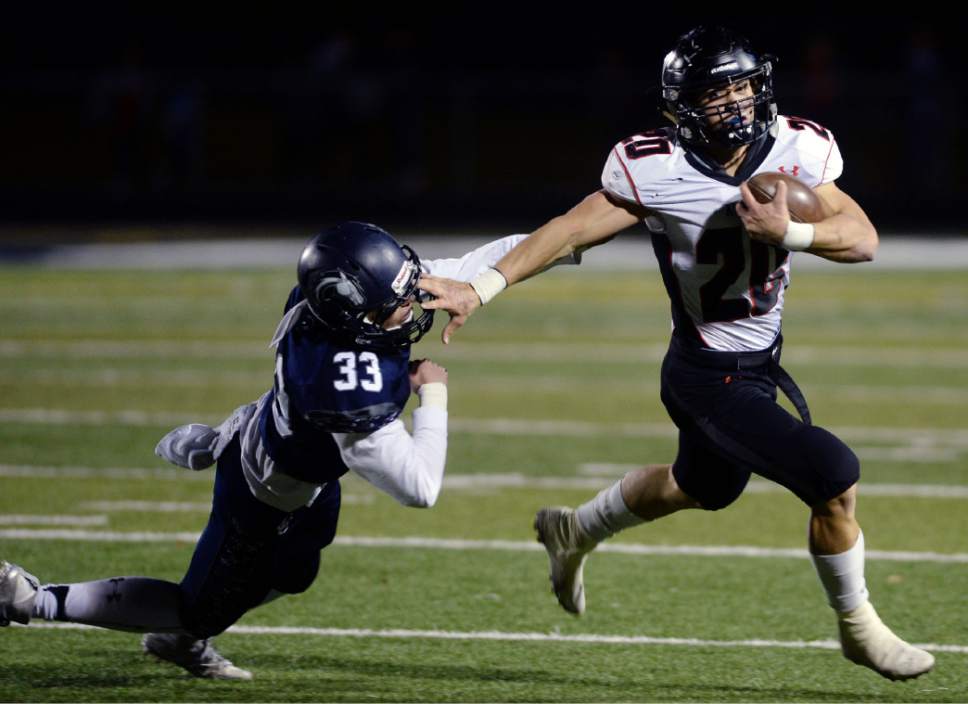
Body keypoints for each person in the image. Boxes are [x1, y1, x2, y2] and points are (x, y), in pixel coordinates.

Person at [418, 26, 934, 681]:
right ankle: (859, 629)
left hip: (757, 363)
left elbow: (861, 239)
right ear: (683, 104)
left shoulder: (797, 148)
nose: (737, 104)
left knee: (699, 486)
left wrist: (793, 231)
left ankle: (573, 529)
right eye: (718, 94)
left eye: (744, 87)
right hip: (704, 375)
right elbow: (567, 232)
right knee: (833, 474)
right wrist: (481, 286)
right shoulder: (656, 168)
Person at [0, 222, 545, 681]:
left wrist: (561, 240)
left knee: (295, 575)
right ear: (355, 313)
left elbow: (472, 262)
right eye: (397, 303)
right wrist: (434, 393)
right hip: (264, 494)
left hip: (298, 468)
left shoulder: (327, 305)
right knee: (198, 607)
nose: (413, 304)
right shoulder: (347, 385)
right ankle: (32, 598)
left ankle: (183, 635)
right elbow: (419, 487)